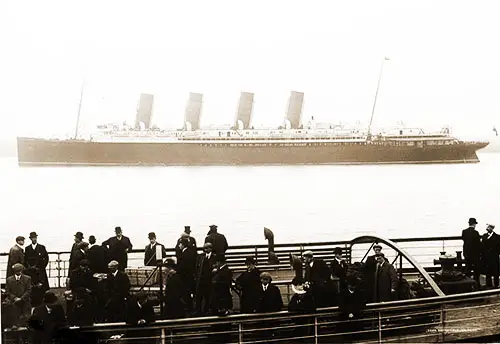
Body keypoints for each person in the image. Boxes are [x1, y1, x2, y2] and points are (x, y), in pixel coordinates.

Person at [24, 232, 50, 307]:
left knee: (41, 285)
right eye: (32, 238)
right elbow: (25, 259)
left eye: (35, 237)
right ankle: (33, 302)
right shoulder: (27, 248)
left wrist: (42, 267)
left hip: (40, 270)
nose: (34, 239)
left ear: (36, 238)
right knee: (32, 285)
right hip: (31, 271)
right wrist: (29, 268)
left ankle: (41, 301)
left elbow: (46, 258)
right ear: (30, 239)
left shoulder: (42, 247)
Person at [4, 263, 32, 328]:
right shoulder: (9, 280)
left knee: (26, 315)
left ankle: (26, 326)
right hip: (13, 301)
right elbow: (7, 291)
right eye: (17, 271)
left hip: (25, 301)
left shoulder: (27, 278)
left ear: (22, 270)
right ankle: (14, 326)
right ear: (14, 271)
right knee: (12, 312)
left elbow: (29, 290)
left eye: (20, 270)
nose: (19, 272)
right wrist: (14, 298)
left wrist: (21, 298)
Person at [194, 243, 217, 315]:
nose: (205, 249)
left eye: (207, 248)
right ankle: (198, 311)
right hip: (201, 281)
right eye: (205, 248)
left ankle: (206, 310)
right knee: (199, 297)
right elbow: (197, 267)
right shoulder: (200, 256)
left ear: (211, 248)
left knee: (208, 297)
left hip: (209, 281)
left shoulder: (214, 257)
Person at [462, 217, 481, 284]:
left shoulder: (464, 232)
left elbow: (464, 241)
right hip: (475, 255)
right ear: (474, 224)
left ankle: (467, 283)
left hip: (467, 254)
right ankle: (477, 283)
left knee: (468, 269)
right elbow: (478, 245)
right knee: (476, 270)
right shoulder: (476, 233)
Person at [481, 224, 500, 288]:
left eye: (488, 227)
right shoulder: (484, 236)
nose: (487, 228)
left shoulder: (497, 237)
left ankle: (496, 284)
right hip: (487, 257)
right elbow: (482, 246)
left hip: (494, 256)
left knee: (495, 271)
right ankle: (488, 284)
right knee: (487, 271)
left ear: (492, 228)